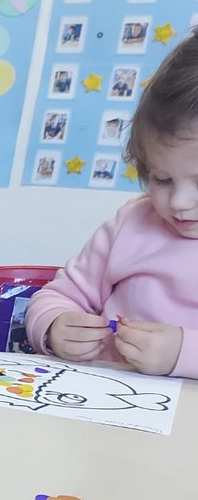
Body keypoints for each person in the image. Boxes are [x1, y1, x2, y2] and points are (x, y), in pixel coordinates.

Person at [26, 31, 198, 378]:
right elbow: (56, 297)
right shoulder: (131, 224)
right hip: (95, 398)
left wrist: (184, 354)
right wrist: (55, 325)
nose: (179, 202)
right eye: (161, 179)